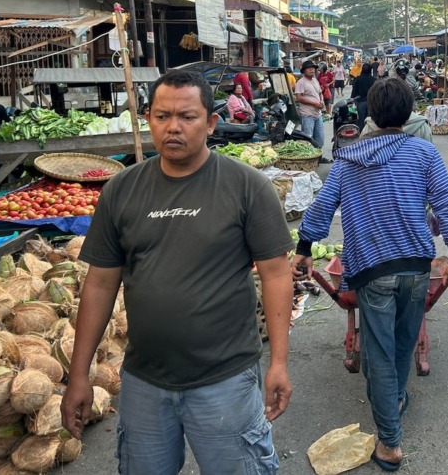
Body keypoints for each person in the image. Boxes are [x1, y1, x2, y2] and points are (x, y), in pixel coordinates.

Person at [60, 70, 294, 474]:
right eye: (162, 116)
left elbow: (276, 275)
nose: (173, 127)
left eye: (187, 116)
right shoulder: (121, 190)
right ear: (147, 119)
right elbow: (99, 284)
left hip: (225, 379)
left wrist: (279, 362)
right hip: (144, 381)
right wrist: (79, 374)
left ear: (211, 123)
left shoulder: (247, 186)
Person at [293, 77, 448, 472]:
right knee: (401, 346)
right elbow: (446, 203)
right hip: (417, 268)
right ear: (408, 113)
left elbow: (322, 207)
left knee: (382, 354)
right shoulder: (424, 151)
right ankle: (394, 400)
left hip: (371, 270)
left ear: (370, 112)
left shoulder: (348, 157)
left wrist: (303, 249)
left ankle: (389, 443)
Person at [294, 60, 326, 154]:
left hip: (318, 114)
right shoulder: (301, 82)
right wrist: (314, 103)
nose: (312, 70)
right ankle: (309, 157)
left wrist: (321, 101)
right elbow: (299, 98)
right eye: (309, 68)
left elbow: (320, 93)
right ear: (304, 70)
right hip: (307, 115)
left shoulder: (315, 80)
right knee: (308, 139)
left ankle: (318, 156)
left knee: (320, 139)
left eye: (313, 68)